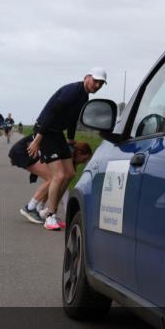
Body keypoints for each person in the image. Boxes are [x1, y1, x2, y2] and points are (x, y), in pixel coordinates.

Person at [27, 68, 106, 230]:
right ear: (87, 77)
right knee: (59, 174)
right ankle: (50, 215)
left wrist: (70, 140)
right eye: (95, 81)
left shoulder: (84, 96)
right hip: (46, 132)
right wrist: (38, 139)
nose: (97, 85)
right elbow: (51, 112)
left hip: (57, 134)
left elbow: (72, 120)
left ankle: (45, 209)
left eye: (101, 83)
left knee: (70, 173)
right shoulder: (72, 91)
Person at [11, 135, 92, 224]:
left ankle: (38, 208)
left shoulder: (69, 154)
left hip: (27, 151)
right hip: (23, 151)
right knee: (54, 178)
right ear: (79, 152)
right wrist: (69, 217)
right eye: (84, 159)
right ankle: (30, 208)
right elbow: (63, 192)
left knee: (54, 180)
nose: (84, 162)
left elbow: (59, 189)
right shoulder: (68, 153)